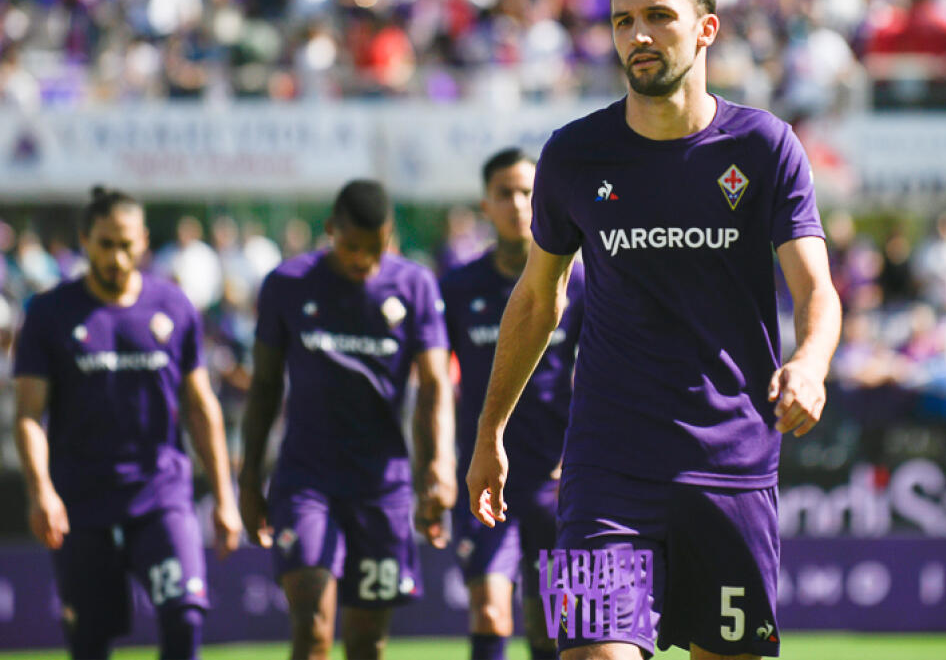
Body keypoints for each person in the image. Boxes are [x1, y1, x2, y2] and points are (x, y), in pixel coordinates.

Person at [466, 0, 842, 659]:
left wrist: (812, 362)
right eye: (622, 21)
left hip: (731, 464)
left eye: (659, 16)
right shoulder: (573, 155)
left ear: (706, 27)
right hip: (606, 467)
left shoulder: (765, 148)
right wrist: (491, 431)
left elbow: (815, 287)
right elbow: (537, 299)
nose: (637, 35)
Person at [12, 187, 242, 660]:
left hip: (162, 495)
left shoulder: (174, 308)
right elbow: (29, 415)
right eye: (105, 244)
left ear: (143, 243)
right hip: (82, 501)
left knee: (184, 618)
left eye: (127, 244)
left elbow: (200, 406)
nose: (117, 257)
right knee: (91, 643)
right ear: (84, 240)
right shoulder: (49, 314)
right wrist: (41, 491)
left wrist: (225, 495)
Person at [237, 179, 456, 660]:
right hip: (305, 482)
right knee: (313, 627)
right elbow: (265, 385)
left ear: (391, 236)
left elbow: (435, 384)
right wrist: (250, 478)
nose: (363, 261)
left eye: (375, 250)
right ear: (331, 229)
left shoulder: (414, 285)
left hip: (383, 487)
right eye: (353, 247)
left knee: (365, 641)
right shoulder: (288, 285)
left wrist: (437, 465)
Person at [440, 148, 585, 660]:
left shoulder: (579, 283)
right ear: (486, 205)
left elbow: (597, 376)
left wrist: (579, 459)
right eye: (505, 193)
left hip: (552, 479)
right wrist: (438, 465)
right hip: (483, 476)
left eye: (528, 192)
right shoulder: (457, 288)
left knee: (550, 627)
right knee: (489, 611)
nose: (518, 204)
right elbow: (437, 386)